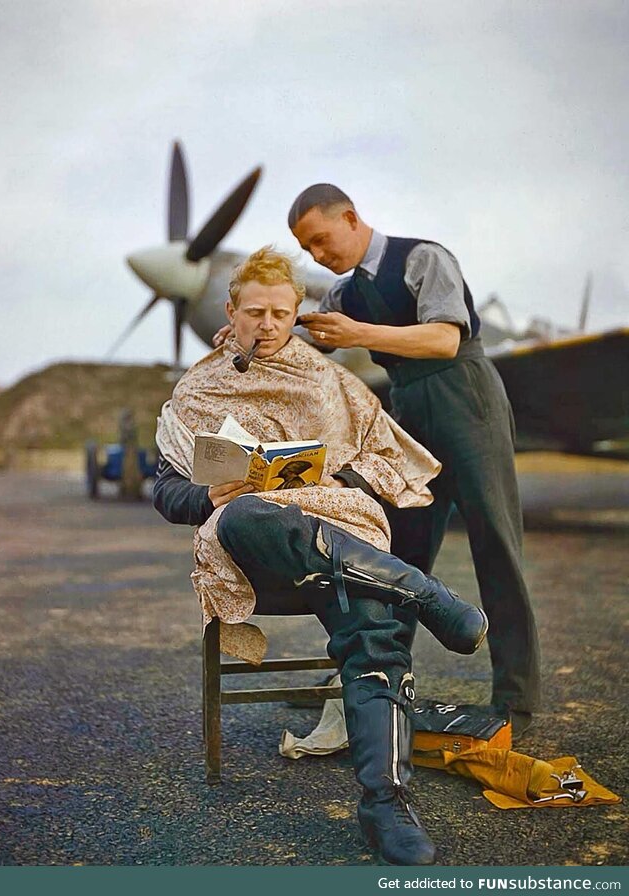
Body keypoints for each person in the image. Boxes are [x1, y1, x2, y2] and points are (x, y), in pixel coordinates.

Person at [153, 246, 488, 866]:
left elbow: (389, 462)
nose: (269, 324)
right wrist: (208, 493)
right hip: (251, 545)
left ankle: (386, 802)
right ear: (231, 311)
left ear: (296, 311)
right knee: (251, 513)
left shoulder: (332, 381)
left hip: (338, 534)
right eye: (255, 312)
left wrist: (337, 482)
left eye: (281, 313)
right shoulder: (197, 390)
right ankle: (421, 590)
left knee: (376, 631)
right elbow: (165, 490)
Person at [287, 185, 541, 740]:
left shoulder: (424, 257)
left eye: (322, 241)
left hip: (465, 399)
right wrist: (252, 331)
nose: (318, 258)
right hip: (406, 411)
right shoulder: (343, 293)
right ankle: (376, 684)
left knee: (495, 545)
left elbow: (445, 339)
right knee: (398, 557)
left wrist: (360, 334)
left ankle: (515, 701)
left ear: (350, 218)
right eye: (307, 250)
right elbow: (305, 337)